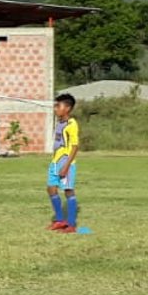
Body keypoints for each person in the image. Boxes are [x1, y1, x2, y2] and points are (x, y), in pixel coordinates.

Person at [48, 93, 81, 232]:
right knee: (51, 188)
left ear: (67, 108)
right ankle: (60, 220)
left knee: (68, 190)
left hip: (66, 162)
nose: (55, 108)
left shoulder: (71, 124)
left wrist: (66, 166)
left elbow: (74, 146)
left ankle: (71, 224)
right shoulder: (59, 123)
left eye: (58, 106)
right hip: (55, 161)